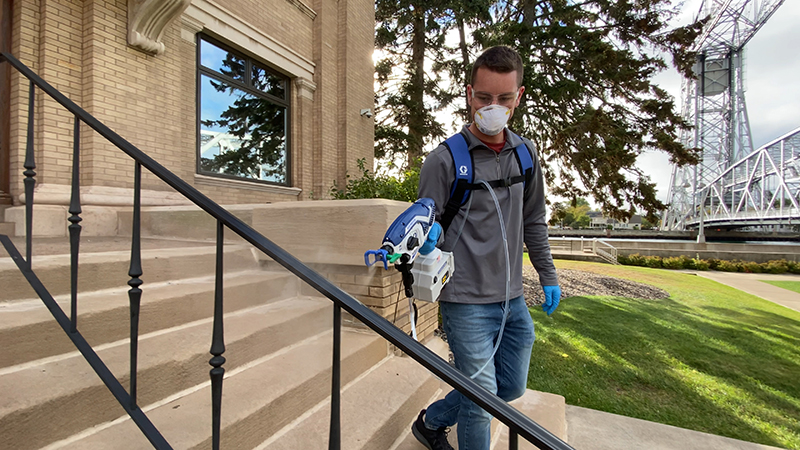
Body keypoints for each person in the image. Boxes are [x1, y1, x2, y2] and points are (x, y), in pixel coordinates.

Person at [411, 45, 561, 450]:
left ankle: (431, 422)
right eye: (483, 97)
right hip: (464, 300)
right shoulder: (443, 161)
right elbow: (430, 225)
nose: (492, 107)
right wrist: (428, 239)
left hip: (512, 298)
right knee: (481, 403)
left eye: (504, 98)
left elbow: (534, 221)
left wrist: (548, 275)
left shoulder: (526, 156)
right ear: (468, 93)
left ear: (519, 97)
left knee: (508, 387)